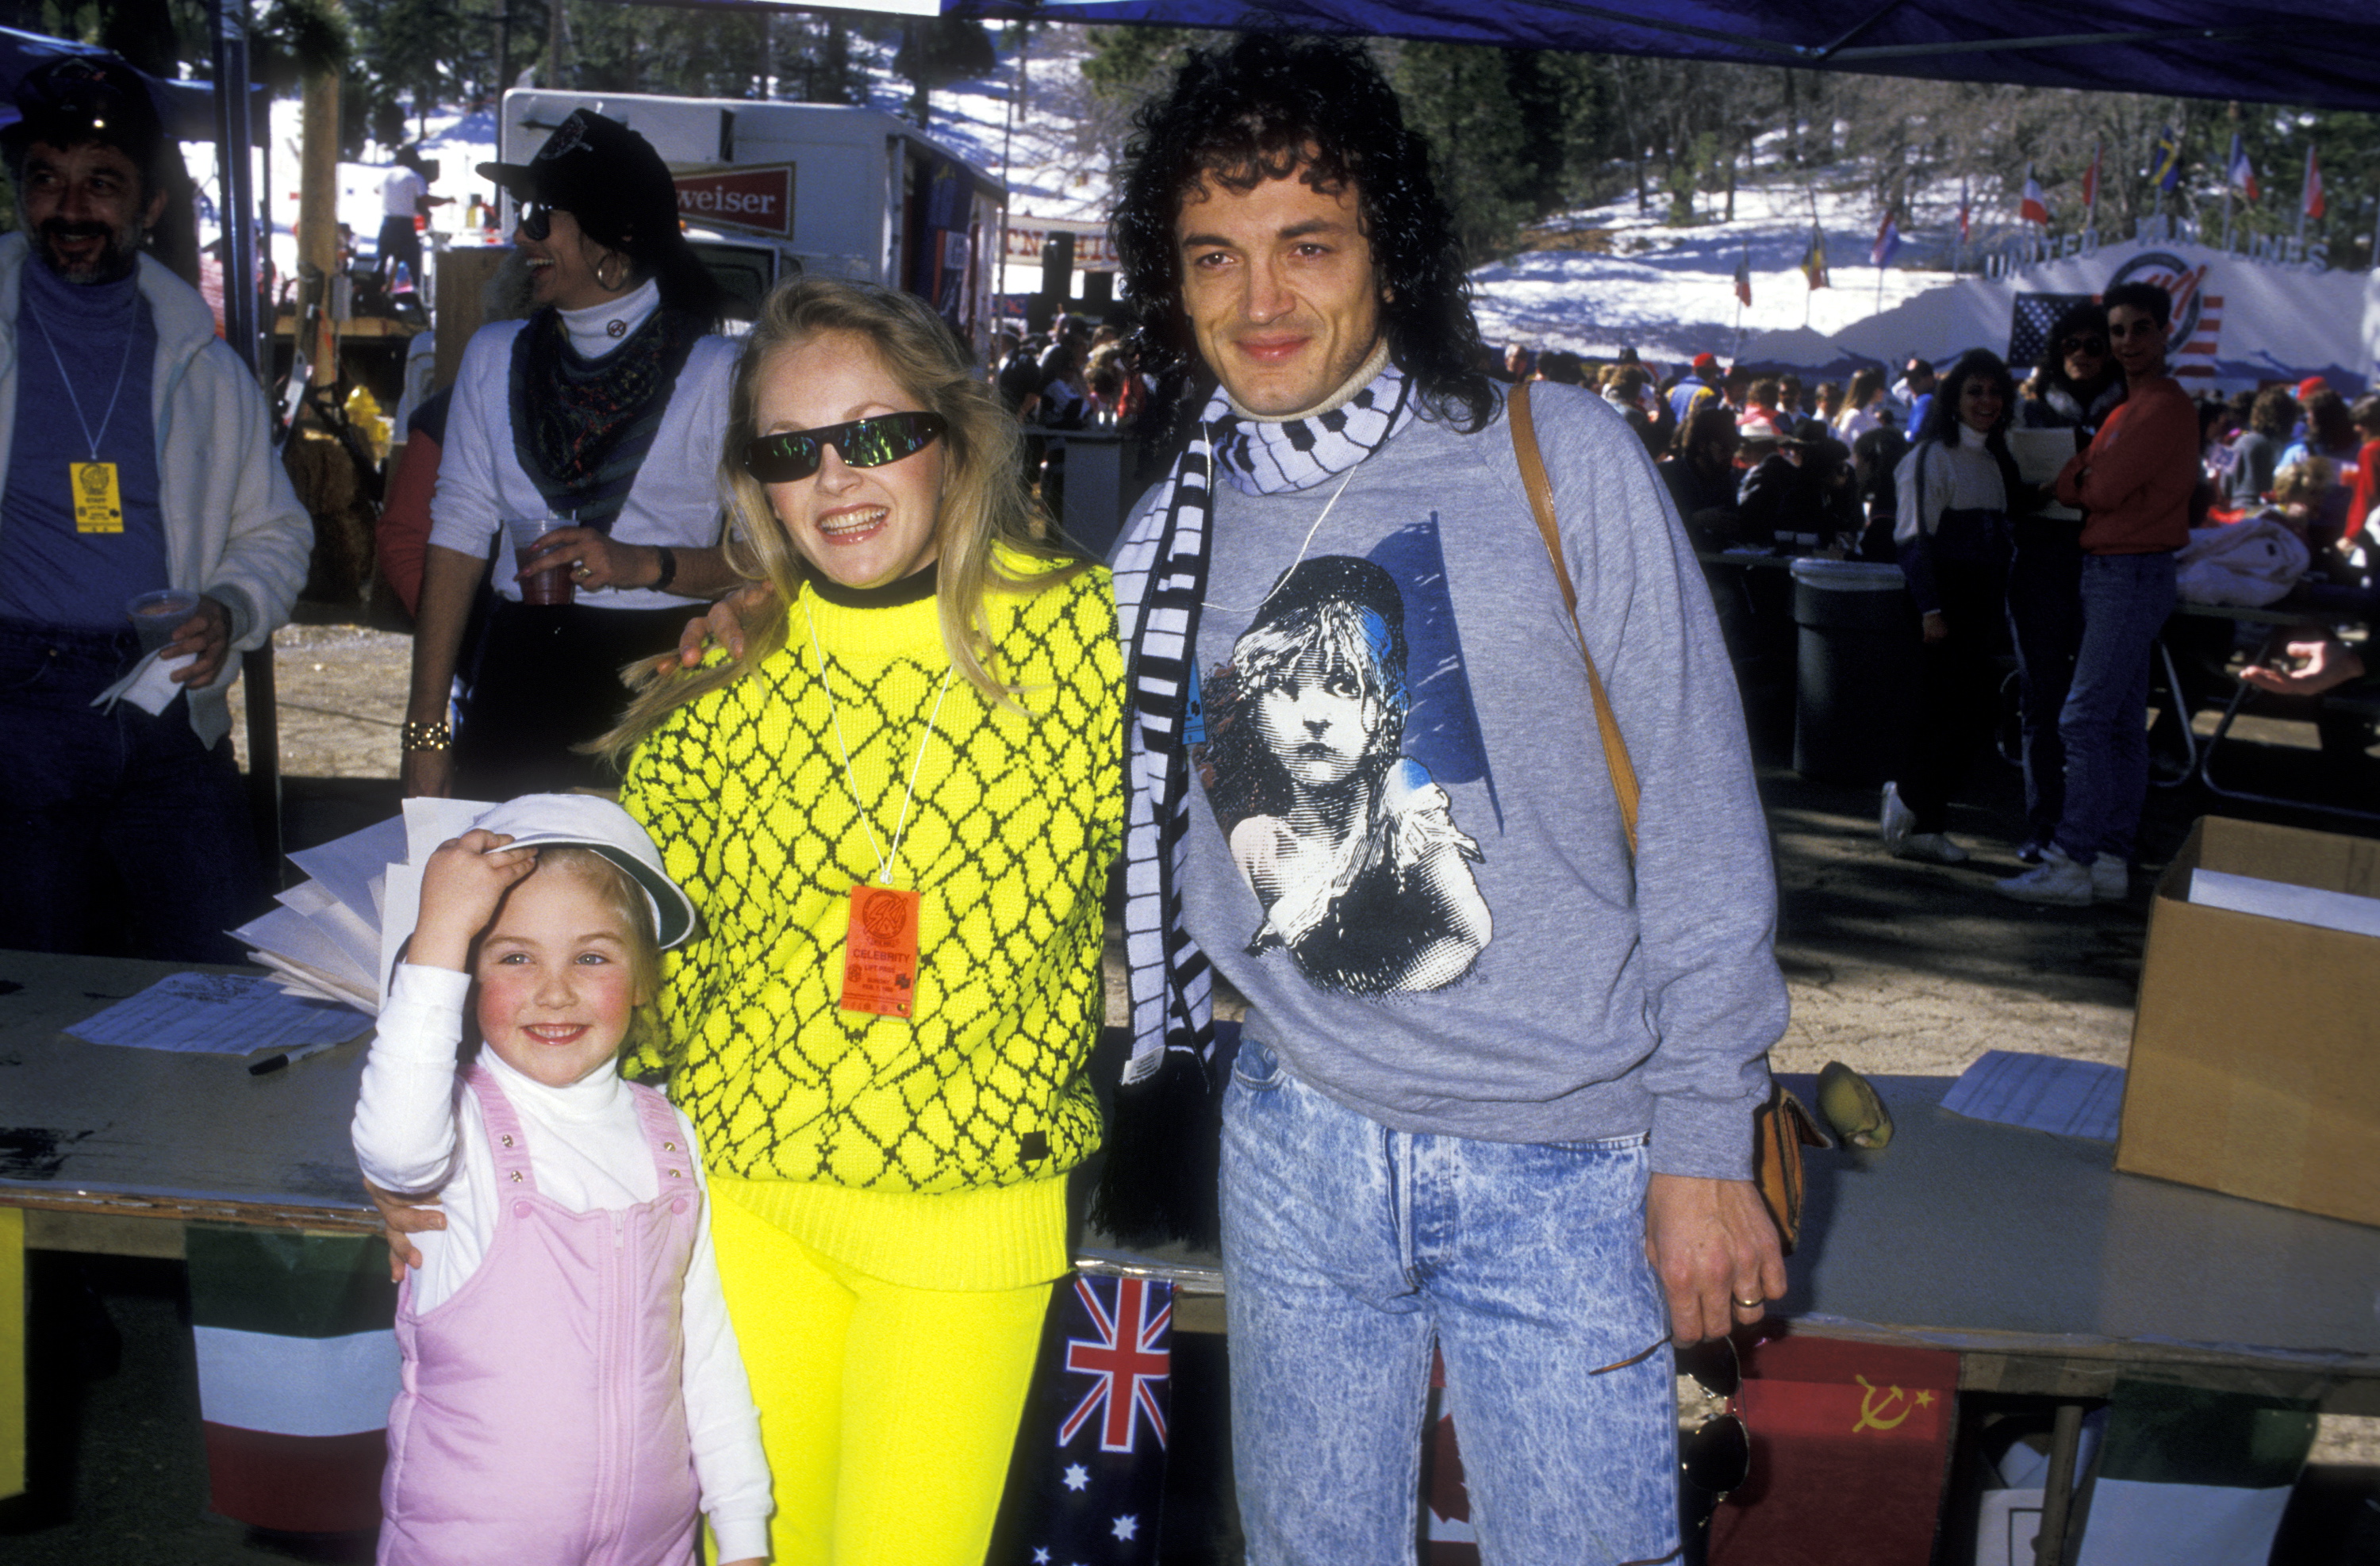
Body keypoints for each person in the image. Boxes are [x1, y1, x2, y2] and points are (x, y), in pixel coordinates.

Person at [1105, 34, 1787, 1562]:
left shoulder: (1560, 458)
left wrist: (1704, 1140)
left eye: (1308, 244)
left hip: (1566, 1162)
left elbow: (1695, 815)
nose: (1261, 299)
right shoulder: (1168, 530)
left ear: (1389, 258)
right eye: (1215, 254)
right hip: (1298, 1145)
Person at [608, 276, 1125, 1566]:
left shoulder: (1089, 636)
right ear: (757, 481)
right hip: (748, 1203)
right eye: (793, 449)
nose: (838, 477)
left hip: (970, 1223)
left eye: (878, 433)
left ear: (956, 433)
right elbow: (632, 973)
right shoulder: (716, 684)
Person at [355, 793, 770, 1564]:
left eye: (592, 956)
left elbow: (704, 1351)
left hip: (654, 1544)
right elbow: (394, 1153)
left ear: (643, 978)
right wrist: (440, 930)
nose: (555, 989)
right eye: (514, 957)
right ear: (464, 980)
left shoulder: (668, 1136)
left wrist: (741, 1529)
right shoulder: (457, 1132)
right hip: (472, 1544)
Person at [0, 56, 312, 962]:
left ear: (150, 208)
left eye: (102, 185)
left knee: (232, 984)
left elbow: (277, 530)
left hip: (171, 702)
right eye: (45, 181)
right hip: (17, 710)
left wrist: (232, 608)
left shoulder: (202, 363)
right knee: (30, 1002)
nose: (69, 210)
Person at [401, 109, 743, 801]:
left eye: (542, 214)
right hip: (513, 675)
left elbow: (771, 564)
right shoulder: (495, 355)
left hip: (655, 679)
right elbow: (459, 532)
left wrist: (641, 564)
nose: (521, 233)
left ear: (616, 235)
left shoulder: (724, 372)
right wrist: (425, 729)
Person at [1998, 282, 2195, 906]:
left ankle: (2074, 858)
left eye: (2140, 329)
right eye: (2119, 331)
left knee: (2083, 718)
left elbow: (2098, 488)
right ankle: (2109, 855)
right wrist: (2084, 477)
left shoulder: (2159, 408)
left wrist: (2080, 477)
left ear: (2165, 333)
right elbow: (2089, 480)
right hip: (2120, 568)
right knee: (2115, 724)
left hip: (2128, 570)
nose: (2126, 343)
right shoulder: (2132, 409)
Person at [1879, 351, 2024, 866]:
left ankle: (1925, 823)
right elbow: (1914, 540)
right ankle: (1912, 803)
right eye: (1975, 391)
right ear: (1954, 399)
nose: (1986, 402)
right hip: (1940, 602)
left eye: (1994, 391)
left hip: (1981, 603)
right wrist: (1930, 611)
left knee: (1971, 717)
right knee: (1940, 715)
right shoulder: (1929, 456)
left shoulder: (1996, 460)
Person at [2006, 301, 2121, 861]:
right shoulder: (2026, 412)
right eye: (2069, 345)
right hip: (2042, 561)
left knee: (2105, 707)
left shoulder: (2131, 410)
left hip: (2108, 562)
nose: (2080, 355)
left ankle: (2099, 833)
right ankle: (2043, 826)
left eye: (2093, 345)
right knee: (2042, 702)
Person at [376, 145, 448, 288]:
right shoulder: (414, 176)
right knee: (414, 265)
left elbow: (377, 190)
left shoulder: (387, 174)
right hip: (404, 226)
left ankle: (376, 297)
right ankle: (417, 293)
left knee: (381, 263)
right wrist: (448, 200)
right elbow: (427, 201)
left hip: (387, 223)